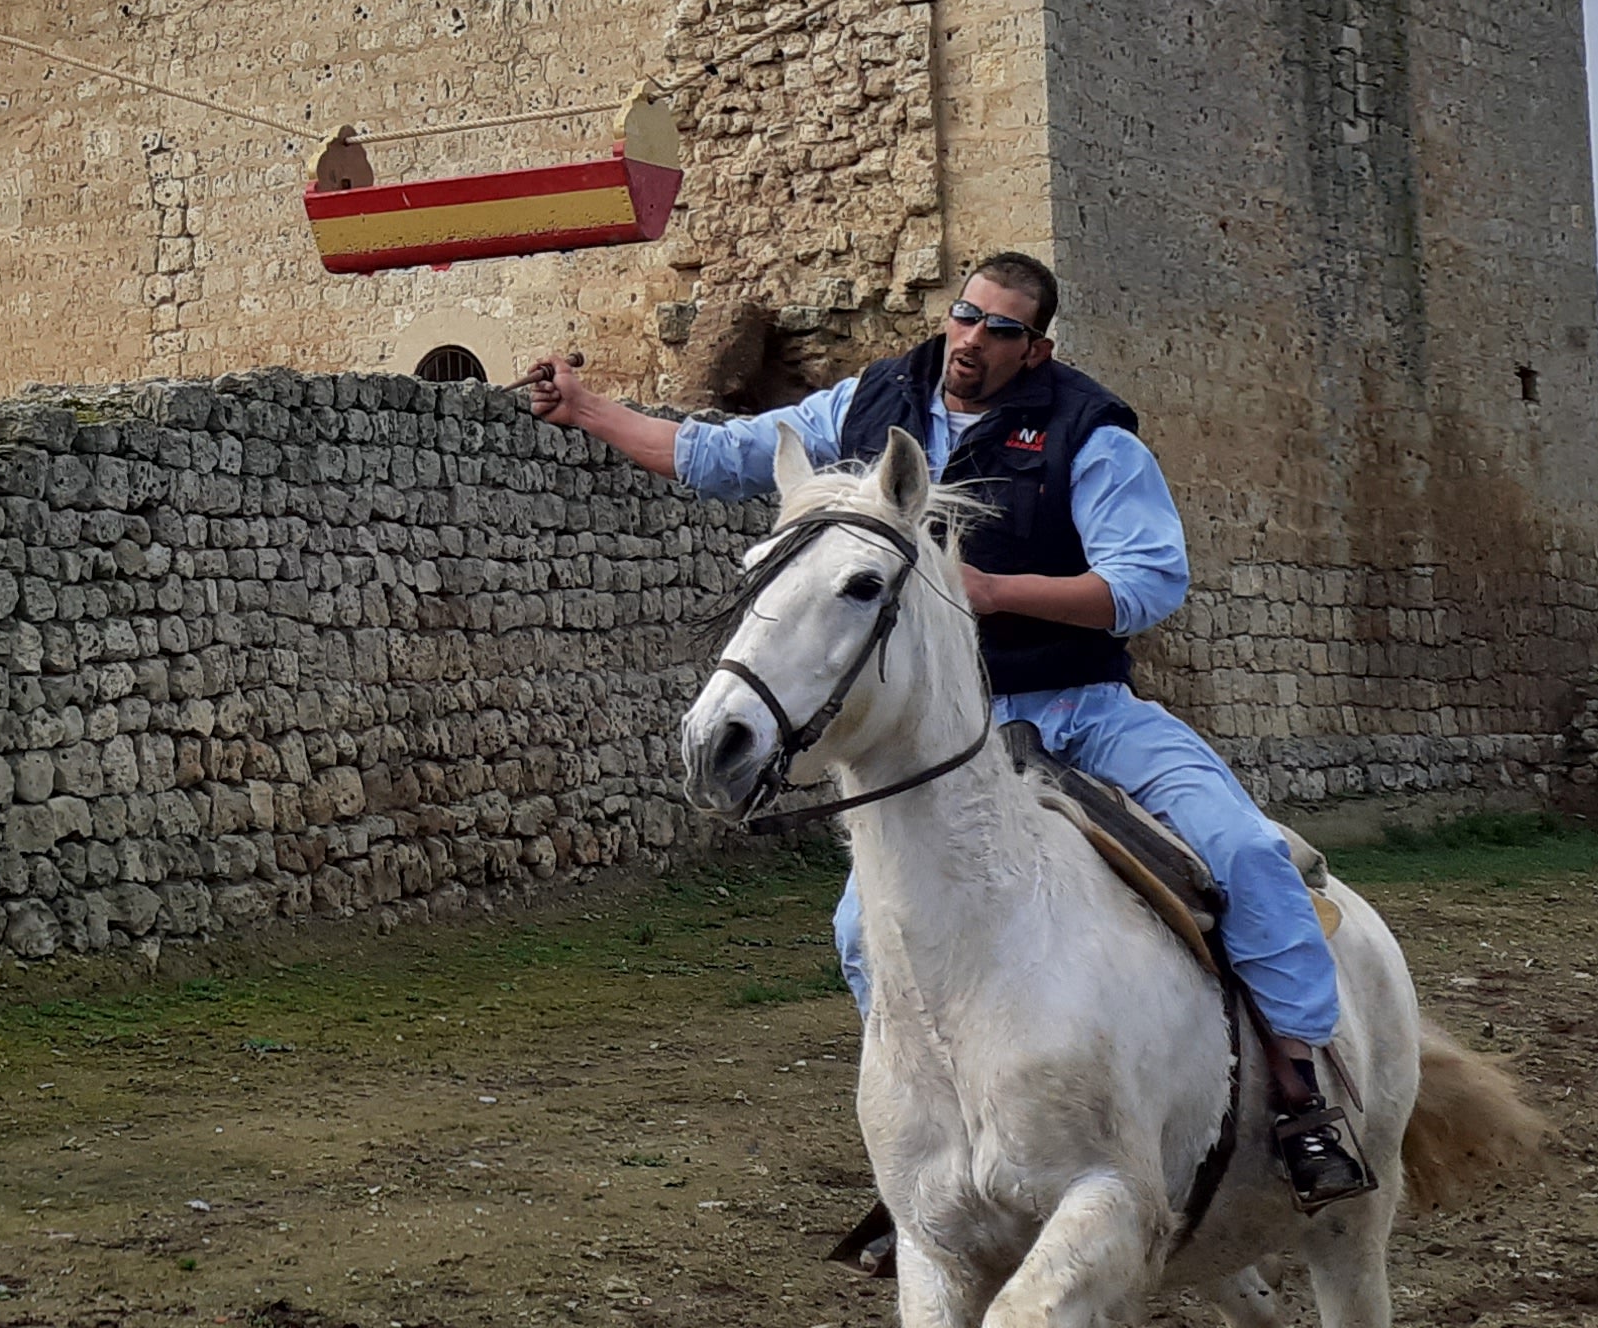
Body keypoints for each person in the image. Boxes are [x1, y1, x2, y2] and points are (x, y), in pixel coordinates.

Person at [523, 253, 1373, 1211]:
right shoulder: (867, 403)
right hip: (953, 743)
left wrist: (992, 591)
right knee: (859, 929)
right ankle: (929, 1136)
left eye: (1000, 329)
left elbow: (1146, 584)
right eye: (966, 316)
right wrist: (589, 410)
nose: (972, 340)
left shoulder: (1089, 435)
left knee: (1245, 852)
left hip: (1081, 711)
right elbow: (720, 457)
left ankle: (1302, 1100)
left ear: (1035, 346)